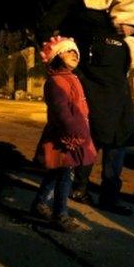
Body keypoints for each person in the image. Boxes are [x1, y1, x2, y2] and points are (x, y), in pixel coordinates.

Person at [36, 0, 134, 213]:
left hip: (117, 78)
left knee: (119, 137)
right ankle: (79, 188)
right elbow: (44, 29)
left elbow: (133, 20)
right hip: (91, 76)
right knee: (91, 134)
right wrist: (61, 55)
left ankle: (110, 196)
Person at [31, 36, 96, 233]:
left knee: (55, 172)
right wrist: (73, 134)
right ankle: (60, 215)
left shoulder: (72, 78)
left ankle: (39, 203)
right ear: (57, 56)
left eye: (76, 51)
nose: (75, 54)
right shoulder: (55, 82)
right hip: (64, 137)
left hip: (73, 134)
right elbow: (61, 111)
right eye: (69, 51)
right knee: (65, 175)